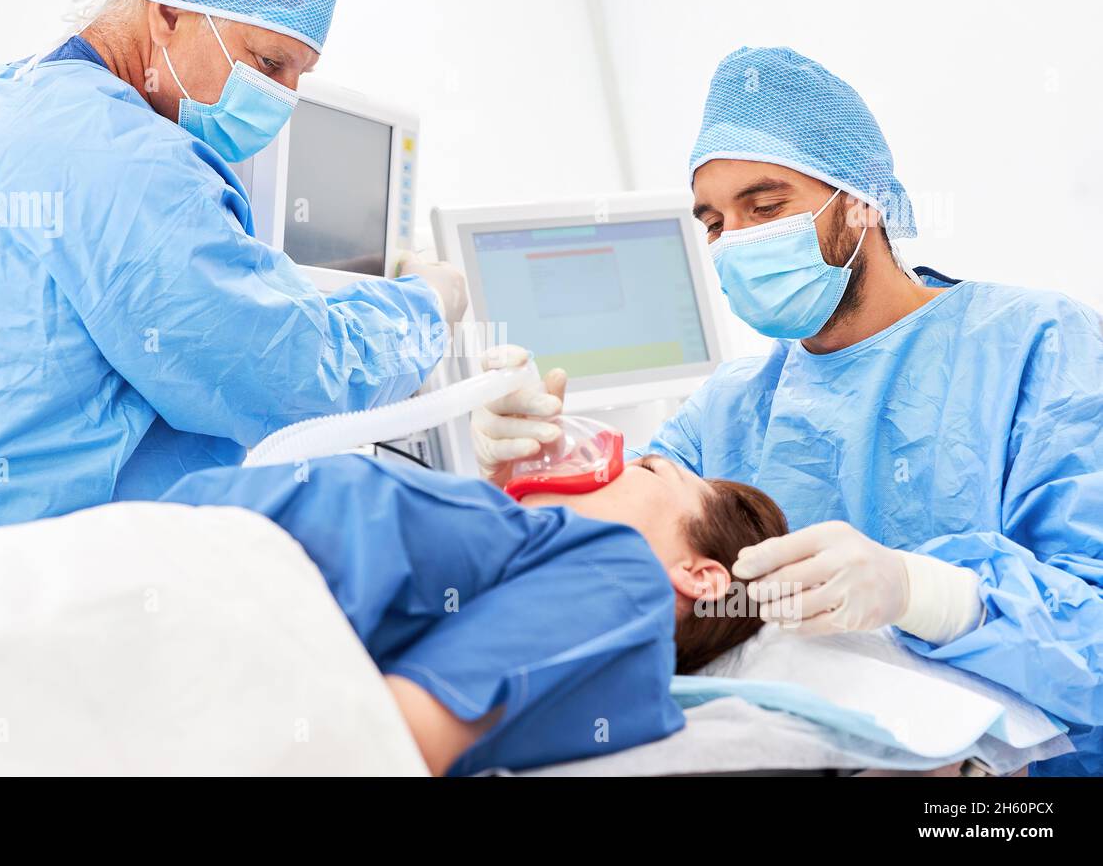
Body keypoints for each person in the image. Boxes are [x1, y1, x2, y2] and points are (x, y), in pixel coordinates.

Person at [473, 48, 1103, 776]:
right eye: (714, 223)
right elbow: (611, 577)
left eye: (766, 207)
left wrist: (924, 594)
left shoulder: (1039, 348)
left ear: (863, 201)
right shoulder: (729, 408)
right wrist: (518, 483)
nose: (738, 240)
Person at [0, 0, 464, 571]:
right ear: (169, 14)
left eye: (299, 75)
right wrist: (427, 306)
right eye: (269, 63)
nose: (283, 98)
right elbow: (285, 374)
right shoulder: (134, 166)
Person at [160, 452, 785, 775]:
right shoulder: (526, 555)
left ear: (701, 577)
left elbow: (374, 748)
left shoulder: (625, 581)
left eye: (650, 467)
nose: (613, 463)